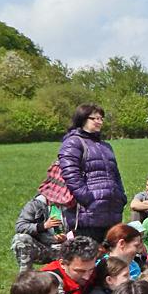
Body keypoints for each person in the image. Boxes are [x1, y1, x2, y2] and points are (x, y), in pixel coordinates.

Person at [58, 104, 127, 242]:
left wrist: (121, 196)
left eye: (101, 118)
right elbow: (70, 174)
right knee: (87, 259)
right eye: (95, 118)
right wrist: (88, 199)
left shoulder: (106, 146)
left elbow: (115, 174)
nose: (100, 121)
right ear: (83, 118)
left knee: (111, 259)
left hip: (111, 212)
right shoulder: (73, 142)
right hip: (87, 215)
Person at [10, 236, 98, 294]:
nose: (87, 277)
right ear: (63, 263)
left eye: (91, 270)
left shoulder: (91, 271)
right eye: (80, 271)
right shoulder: (51, 279)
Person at [11, 188, 70, 272]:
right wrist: (42, 226)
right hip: (44, 247)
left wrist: (67, 237)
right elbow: (20, 226)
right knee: (20, 238)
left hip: (66, 247)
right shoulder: (35, 205)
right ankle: (25, 275)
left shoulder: (73, 205)